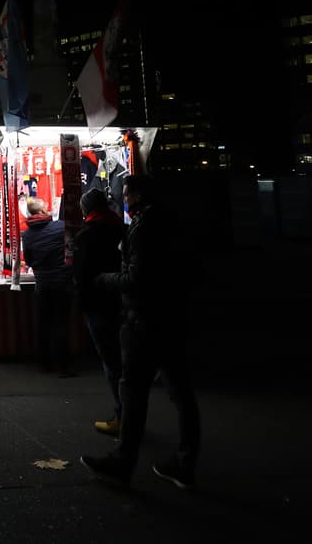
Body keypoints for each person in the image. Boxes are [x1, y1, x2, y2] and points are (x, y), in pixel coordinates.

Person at [81, 174, 202, 490]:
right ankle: (185, 463)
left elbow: (136, 278)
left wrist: (105, 279)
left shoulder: (145, 227)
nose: (123, 198)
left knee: (133, 392)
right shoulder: (175, 223)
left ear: (135, 195)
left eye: (126, 193)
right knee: (182, 394)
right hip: (173, 318)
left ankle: (123, 462)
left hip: (145, 321)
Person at [72, 188, 126, 435]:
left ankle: (122, 416)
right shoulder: (122, 229)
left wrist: (80, 304)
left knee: (112, 362)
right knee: (124, 360)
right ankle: (128, 415)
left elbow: (81, 276)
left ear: (86, 209)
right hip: (124, 302)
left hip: (98, 303)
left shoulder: (87, 236)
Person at [20, 197, 75, 377]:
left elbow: (28, 260)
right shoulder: (60, 227)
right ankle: (63, 366)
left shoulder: (27, 235)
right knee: (61, 323)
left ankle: (44, 364)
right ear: (44, 211)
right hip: (63, 282)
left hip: (42, 283)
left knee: (43, 323)